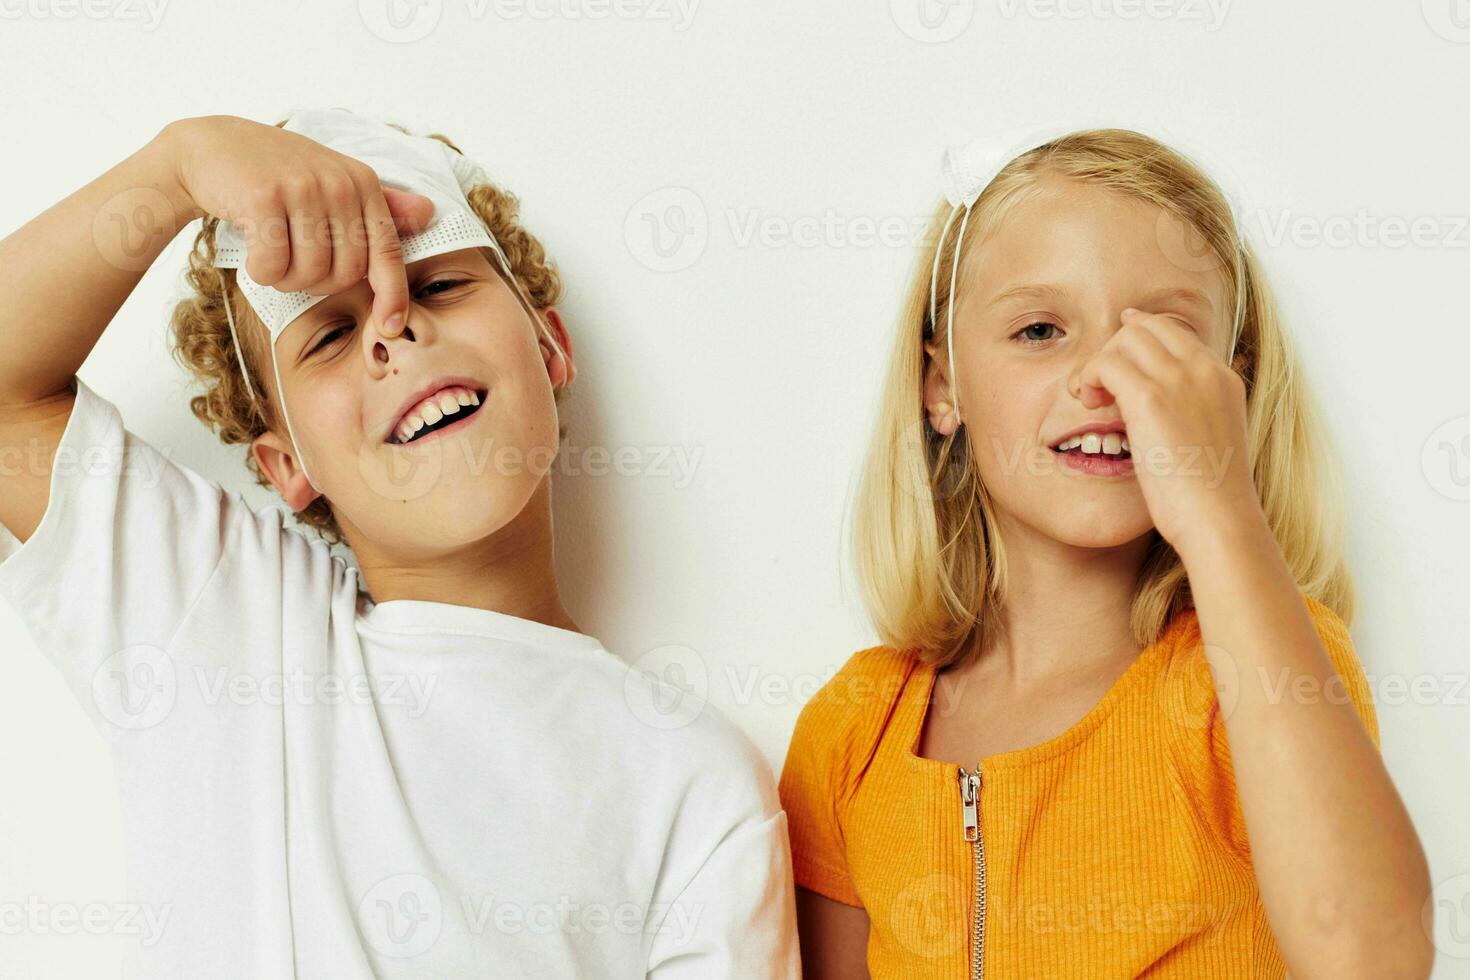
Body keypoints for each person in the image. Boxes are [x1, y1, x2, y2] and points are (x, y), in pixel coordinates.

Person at [0, 108, 799, 978]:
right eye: (332, 334)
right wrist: (180, 162)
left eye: (440, 286)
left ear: (549, 344)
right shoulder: (227, 626)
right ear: (287, 466)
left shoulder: (693, 781)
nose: (393, 328)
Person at [778, 126, 1432, 978]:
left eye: (1162, 337)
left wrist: (1220, 510)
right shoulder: (855, 730)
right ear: (943, 387)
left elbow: (1372, 961)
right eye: (1041, 329)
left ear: (1226, 391)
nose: (1104, 378)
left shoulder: (1253, 671)